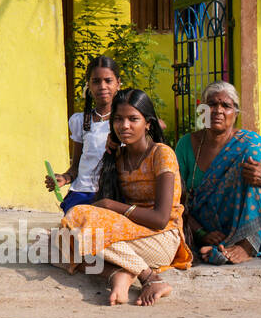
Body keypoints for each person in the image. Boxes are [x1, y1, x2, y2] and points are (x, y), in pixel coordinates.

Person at [56, 88, 192, 305]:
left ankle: (150, 278)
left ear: (148, 123)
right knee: (54, 241)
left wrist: (111, 205)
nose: (124, 125)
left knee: (80, 225)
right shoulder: (117, 157)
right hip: (129, 235)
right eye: (118, 119)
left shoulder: (162, 154)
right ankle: (120, 273)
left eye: (133, 119)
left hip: (161, 238)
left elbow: (160, 219)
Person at [175, 81, 261, 265]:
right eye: (212, 104)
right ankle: (217, 246)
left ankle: (247, 245)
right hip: (205, 227)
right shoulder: (186, 145)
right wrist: (201, 233)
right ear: (202, 110)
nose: (218, 110)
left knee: (253, 159)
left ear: (235, 113)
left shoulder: (249, 144)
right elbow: (176, 198)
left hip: (246, 225)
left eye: (226, 105)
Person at [46, 56, 121, 212]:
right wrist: (64, 178)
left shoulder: (125, 122)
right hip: (83, 192)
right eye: (96, 81)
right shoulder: (81, 121)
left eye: (108, 81)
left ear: (118, 84)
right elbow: (76, 167)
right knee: (76, 229)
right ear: (89, 85)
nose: (102, 86)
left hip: (114, 192)